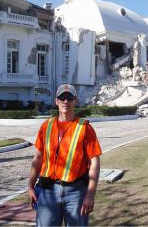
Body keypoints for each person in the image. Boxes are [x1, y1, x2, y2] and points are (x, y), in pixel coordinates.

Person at [28, 84, 102, 226]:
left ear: (75, 100)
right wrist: (30, 185)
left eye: (69, 98)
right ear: (56, 101)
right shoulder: (46, 126)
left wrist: (90, 194)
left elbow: (94, 162)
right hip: (48, 192)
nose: (66, 101)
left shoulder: (85, 128)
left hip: (76, 192)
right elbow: (37, 158)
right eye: (62, 97)